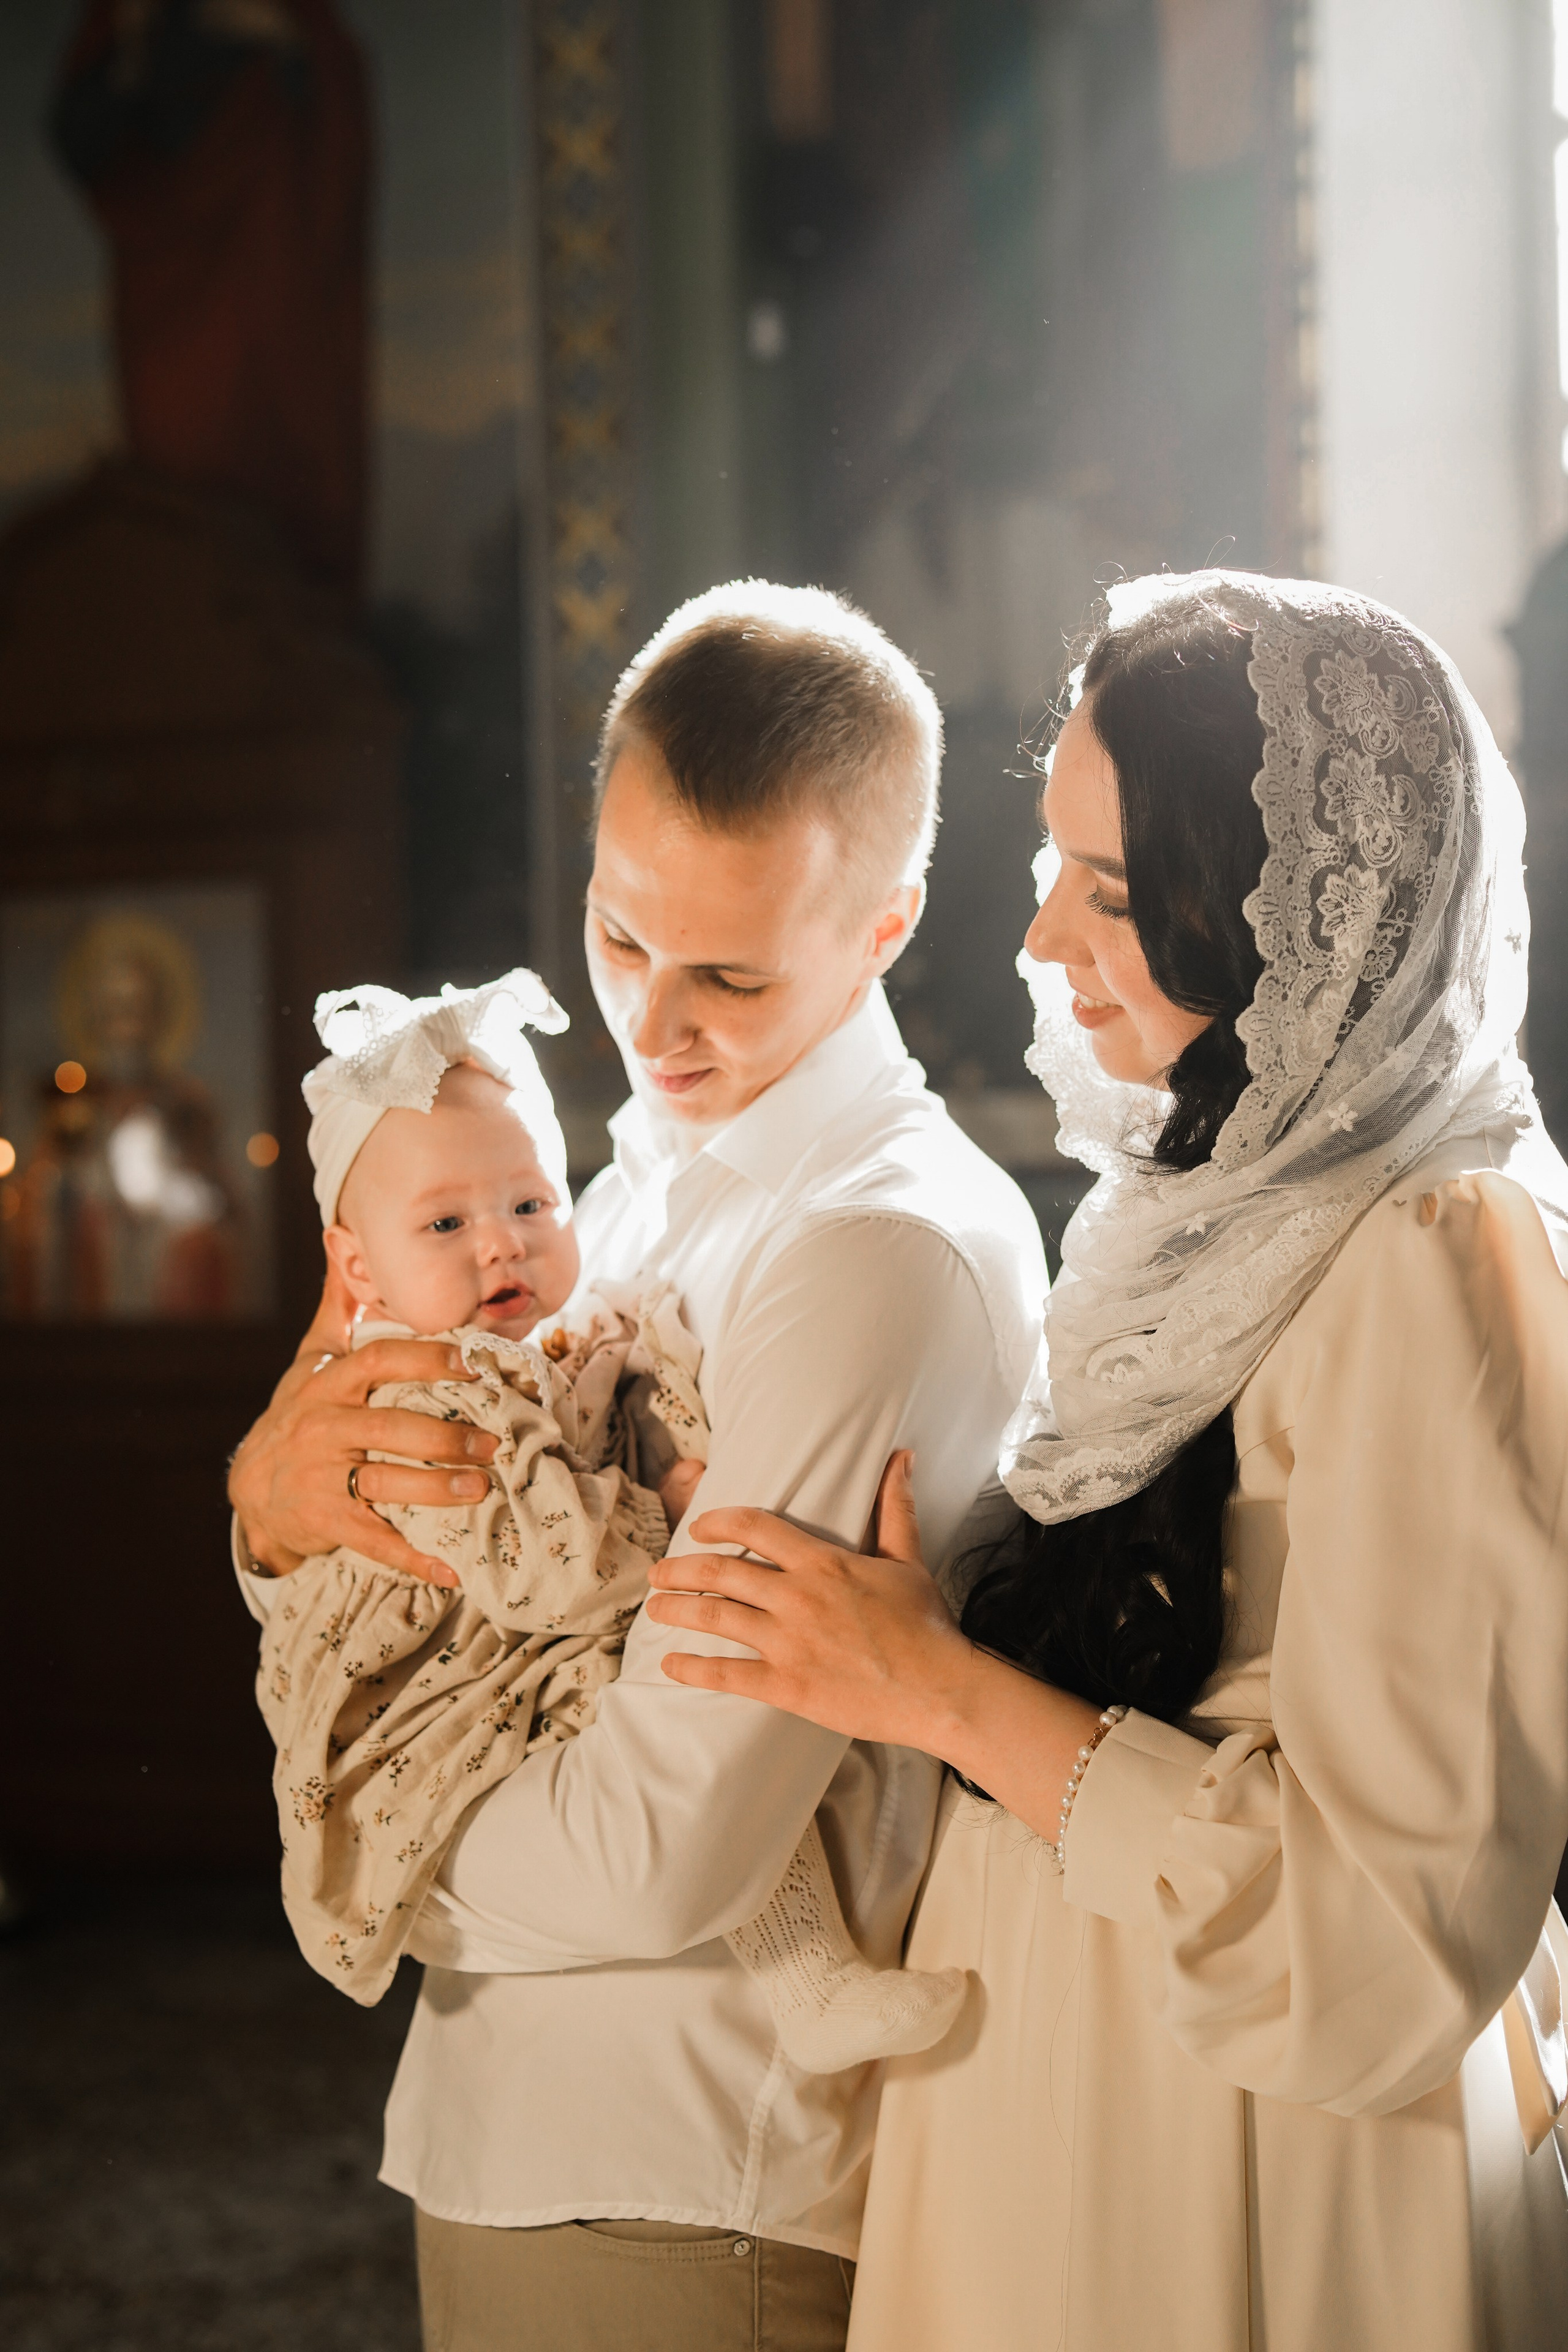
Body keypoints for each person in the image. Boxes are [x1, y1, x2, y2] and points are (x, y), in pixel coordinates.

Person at [646, 571, 1568, 2351]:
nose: (1045, 941)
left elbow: (1386, 1941)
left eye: (1118, 892)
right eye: (1056, 866)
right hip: (1060, 2088)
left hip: (1246, 2157)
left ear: (1296, 918)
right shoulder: (1207, 1210)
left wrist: (941, 1694)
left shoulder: (1434, 1251)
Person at [226, 582, 1047, 2352]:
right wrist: (275, 1512)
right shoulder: (606, 1195)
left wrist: (361, 1843)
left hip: (690, 2167)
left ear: (887, 920)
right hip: (514, 2129)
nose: (653, 1030)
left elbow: (662, 1851)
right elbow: (418, 1518)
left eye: (730, 974)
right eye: (616, 941)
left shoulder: (865, 1247)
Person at [247, 964, 967, 2072]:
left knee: (662, 1690)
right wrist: (675, 1517)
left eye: (531, 1203)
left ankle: (813, 1982)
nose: (503, 1243)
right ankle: (808, 1979)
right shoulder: (419, 1392)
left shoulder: (539, 1349)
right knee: (637, 1686)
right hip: (431, 1689)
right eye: (445, 1222)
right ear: (358, 1269)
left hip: (507, 1647)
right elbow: (557, 1569)